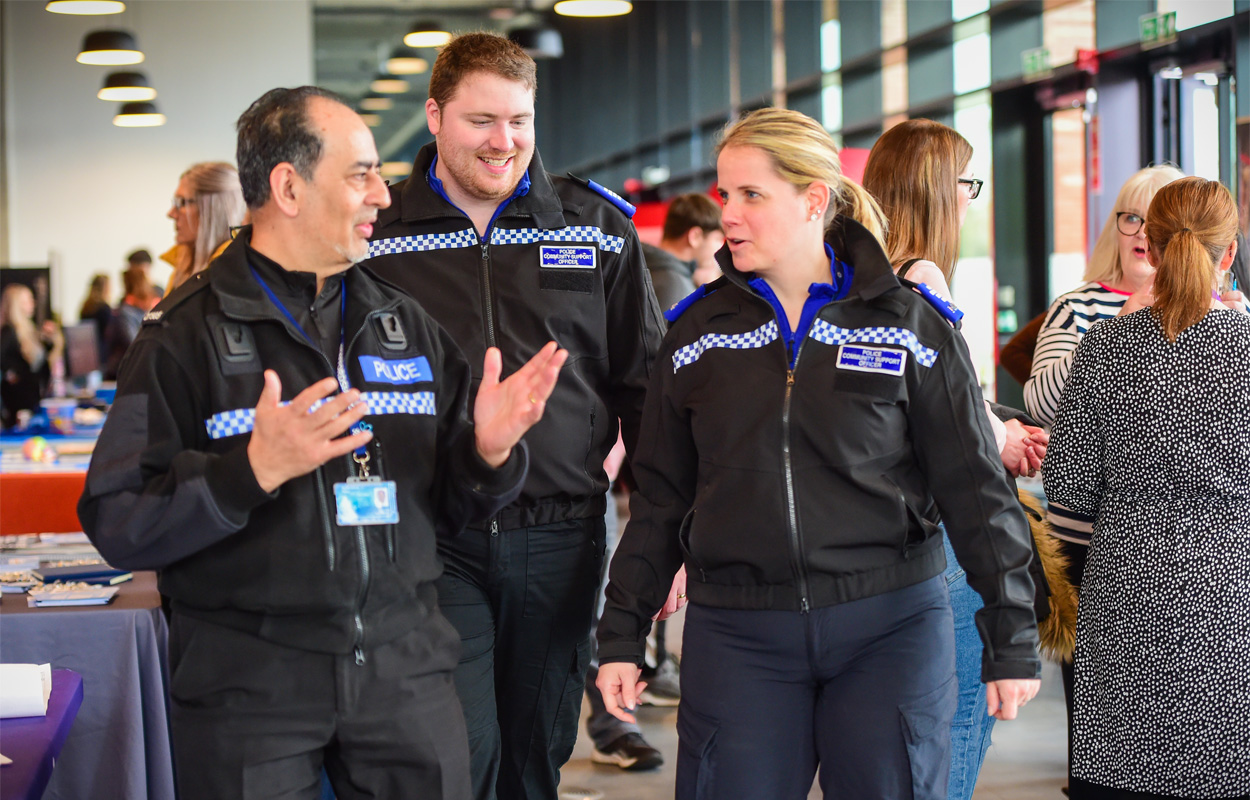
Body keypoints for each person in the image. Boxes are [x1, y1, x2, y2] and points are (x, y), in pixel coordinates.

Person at [78, 85, 569, 800]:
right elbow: (118, 520)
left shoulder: (405, 324)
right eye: (360, 173)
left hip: (405, 672)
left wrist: (489, 455)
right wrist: (249, 472)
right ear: (287, 186)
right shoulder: (182, 336)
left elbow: (458, 507)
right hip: (250, 686)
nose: (382, 194)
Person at [596, 107, 1040, 799]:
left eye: (751, 195)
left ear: (812, 200)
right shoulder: (694, 338)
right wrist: (622, 633)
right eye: (724, 196)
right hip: (739, 634)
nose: (730, 216)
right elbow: (660, 499)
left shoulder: (910, 327)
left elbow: (974, 490)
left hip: (889, 627)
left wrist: (1010, 633)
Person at [362, 32, 665, 800]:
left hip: (561, 537)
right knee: (454, 755)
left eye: (520, 120)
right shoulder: (376, 234)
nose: (505, 142)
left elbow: (649, 392)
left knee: (535, 757)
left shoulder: (594, 228)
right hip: (431, 537)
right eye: (481, 120)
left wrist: (669, 535)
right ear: (434, 116)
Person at [1043, 176, 1250, 798]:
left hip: (1126, 599)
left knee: (1123, 779)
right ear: (1230, 253)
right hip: (1233, 599)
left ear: (1151, 251)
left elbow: (1070, 491)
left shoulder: (1104, 345)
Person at [861, 117, 1049, 800]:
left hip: (874, 542)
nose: (972, 197)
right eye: (967, 182)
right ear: (938, 190)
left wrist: (995, 422)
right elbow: (947, 414)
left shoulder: (852, 274)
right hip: (941, 536)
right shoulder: (923, 275)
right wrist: (1000, 438)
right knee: (953, 736)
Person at [162, 161, 246, 291]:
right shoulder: (182, 267)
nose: (171, 213)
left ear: (213, 210)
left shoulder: (235, 274)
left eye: (182, 202)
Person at [643, 192, 725, 311]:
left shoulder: (639, 264)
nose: (720, 247)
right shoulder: (676, 287)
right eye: (717, 239)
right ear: (695, 237)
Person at [1, 283, 63, 429]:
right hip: (18, 407)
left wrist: (51, 341)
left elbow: (41, 362)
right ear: (17, 305)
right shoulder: (9, 332)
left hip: (33, 401)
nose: (32, 304)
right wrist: (13, 374)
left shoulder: (28, 330)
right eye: (28, 300)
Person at [102, 266, 158, 380]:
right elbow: (134, 344)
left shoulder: (128, 312)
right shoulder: (131, 313)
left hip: (129, 372)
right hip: (124, 373)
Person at [78, 272, 113, 364]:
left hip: (87, 350)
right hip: (101, 351)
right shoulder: (104, 308)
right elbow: (109, 332)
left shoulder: (86, 306)